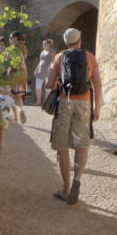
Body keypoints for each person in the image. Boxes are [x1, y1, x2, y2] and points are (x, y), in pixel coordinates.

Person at [45, 27, 101, 205]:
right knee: (81, 144)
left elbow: (48, 84)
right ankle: (77, 178)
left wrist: (56, 79)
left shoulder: (60, 57)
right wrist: (96, 107)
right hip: (84, 103)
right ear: (80, 40)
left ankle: (66, 189)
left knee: (62, 147)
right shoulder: (90, 57)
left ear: (65, 42)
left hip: (64, 102)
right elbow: (97, 84)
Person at [7, 30, 28, 124]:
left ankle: (12, 116)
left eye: (11, 38)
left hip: (13, 73)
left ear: (15, 38)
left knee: (10, 94)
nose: (9, 39)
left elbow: (7, 62)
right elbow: (25, 59)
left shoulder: (12, 49)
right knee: (18, 95)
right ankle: (20, 110)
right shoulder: (23, 47)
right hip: (22, 73)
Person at [33, 38, 55, 106]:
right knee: (37, 86)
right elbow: (40, 61)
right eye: (43, 44)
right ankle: (38, 101)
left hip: (48, 72)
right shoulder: (42, 51)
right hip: (40, 71)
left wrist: (50, 68)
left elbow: (53, 60)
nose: (43, 45)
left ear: (49, 44)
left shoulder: (52, 51)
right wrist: (36, 69)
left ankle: (46, 102)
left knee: (47, 88)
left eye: (45, 44)